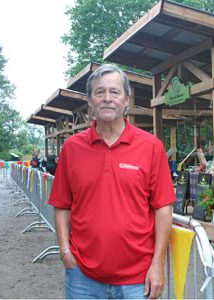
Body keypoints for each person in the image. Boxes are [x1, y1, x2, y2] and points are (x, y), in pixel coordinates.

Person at [48, 64, 175, 299]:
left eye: (115, 92)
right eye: (100, 92)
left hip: (137, 279)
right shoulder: (72, 148)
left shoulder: (150, 147)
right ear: (90, 100)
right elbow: (62, 205)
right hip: (82, 277)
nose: (107, 98)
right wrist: (65, 251)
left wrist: (157, 265)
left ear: (126, 99)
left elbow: (163, 209)